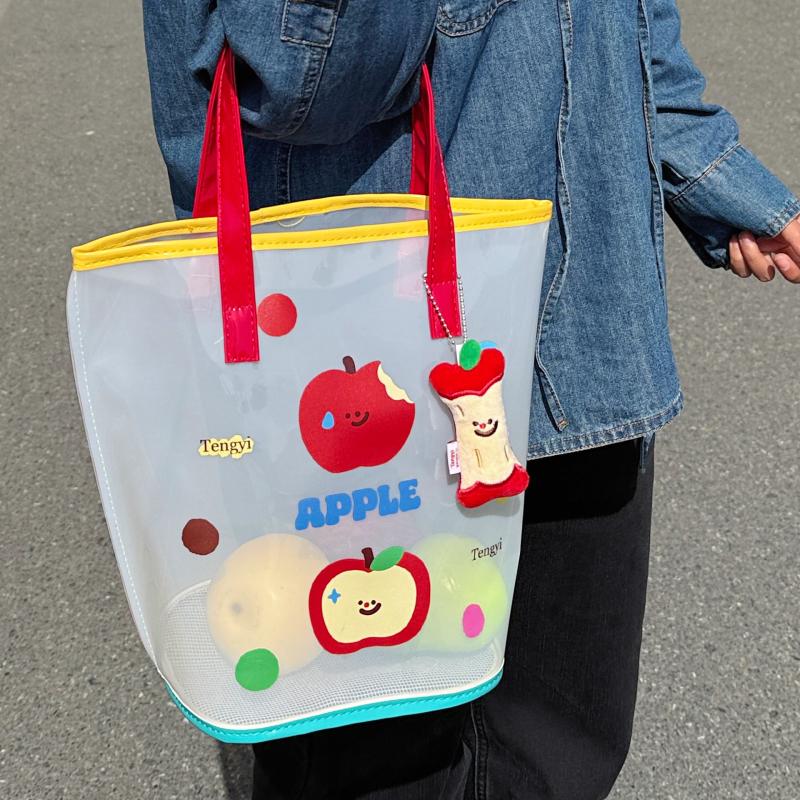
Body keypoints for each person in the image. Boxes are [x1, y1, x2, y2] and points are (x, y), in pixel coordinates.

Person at [143, 2, 800, 798]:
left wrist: (709, 168)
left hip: (583, 323)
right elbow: (300, 81)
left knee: (561, 746)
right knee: (376, 759)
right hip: (370, 374)